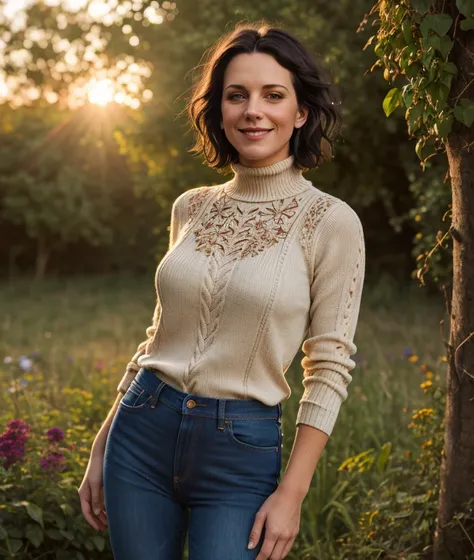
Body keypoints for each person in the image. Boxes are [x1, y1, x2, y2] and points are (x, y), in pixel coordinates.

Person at [78, 20, 366, 560]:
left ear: (300, 112)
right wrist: (102, 444)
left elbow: (329, 365)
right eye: (237, 95)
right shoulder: (191, 206)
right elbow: (159, 336)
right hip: (141, 429)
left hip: (241, 449)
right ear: (220, 110)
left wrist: (293, 493)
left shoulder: (330, 221)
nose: (252, 110)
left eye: (272, 95)